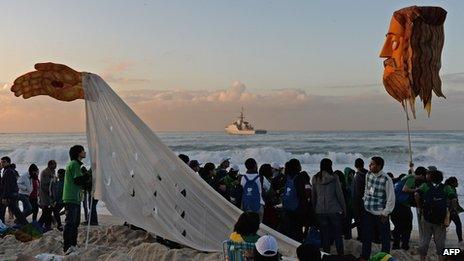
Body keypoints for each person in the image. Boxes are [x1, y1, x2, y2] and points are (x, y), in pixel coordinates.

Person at [415, 170, 457, 261]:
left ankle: (423, 259)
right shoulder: (446, 187)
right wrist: (451, 211)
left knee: (424, 240)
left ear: (430, 177)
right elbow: (453, 199)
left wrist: (419, 207)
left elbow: (416, 194)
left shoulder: (425, 186)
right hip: (441, 219)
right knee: (440, 242)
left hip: (427, 217)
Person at [360, 156, 395, 260]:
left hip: (381, 213)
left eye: (372, 164)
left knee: (385, 237)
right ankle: (365, 256)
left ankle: (385, 257)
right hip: (368, 210)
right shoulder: (368, 174)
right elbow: (367, 189)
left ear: (379, 166)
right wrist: (365, 199)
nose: (369, 166)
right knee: (366, 236)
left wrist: (385, 213)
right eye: (370, 164)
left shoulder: (386, 179)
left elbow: (391, 198)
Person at [311, 158, 346, 255]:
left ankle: (326, 255)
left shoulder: (315, 178)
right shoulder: (334, 177)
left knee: (325, 235)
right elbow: (339, 195)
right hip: (334, 210)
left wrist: (314, 209)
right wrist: (344, 209)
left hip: (320, 211)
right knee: (338, 235)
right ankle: (340, 255)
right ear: (330, 166)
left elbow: (313, 196)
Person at [62, 145, 90, 253]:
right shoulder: (74, 164)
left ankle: (72, 244)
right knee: (70, 223)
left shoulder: (75, 164)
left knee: (75, 223)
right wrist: (87, 176)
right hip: (71, 197)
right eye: (83, 150)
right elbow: (78, 180)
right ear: (78, 153)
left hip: (75, 198)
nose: (84, 152)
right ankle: (67, 246)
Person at [391, 166, 420, 250]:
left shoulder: (401, 180)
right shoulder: (411, 178)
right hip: (402, 206)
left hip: (394, 205)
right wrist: (416, 189)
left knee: (398, 227)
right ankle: (404, 245)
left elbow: (412, 174)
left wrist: (411, 167)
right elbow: (406, 189)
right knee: (407, 227)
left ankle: (396, 245)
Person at [0, 156, 28, 226]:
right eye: (1, 162)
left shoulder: (8, 171)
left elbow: (7, 186)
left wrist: (4, 197)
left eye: (4, 162)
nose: (2, 163)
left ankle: (2, 226)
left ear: (8, 162)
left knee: (6, 211)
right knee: (16, 212)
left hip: (10, 195)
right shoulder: (9, 170)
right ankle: (25, 224)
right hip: (13, 194)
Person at [38, 160, 57, 230]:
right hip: (45, 194)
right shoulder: (45, 172)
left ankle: (44, 225)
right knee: (46, 210)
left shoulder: (52, 171)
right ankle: (46, 226)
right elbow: (44, 185)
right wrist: (50, 194)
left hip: (50, 195)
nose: (55, 166)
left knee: (48, 211)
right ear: (50, 165)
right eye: (54, 165)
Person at [352, 158, 368, 241]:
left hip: (358, 201)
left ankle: (361, 236)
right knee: (366, 220)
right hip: (367, 200)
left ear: (355, 165)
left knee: (359, 219)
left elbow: (357, 191)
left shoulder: (357, 175)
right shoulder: (368, 173)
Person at [445, 177, 463, 243]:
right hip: (450, 210)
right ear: (452, 183)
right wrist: (453, 209)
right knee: (458, 224)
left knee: (446, 224)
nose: (457, 183)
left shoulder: (453, 189)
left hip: (449, 210)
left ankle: (441, 236)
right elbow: (453, 200)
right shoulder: (449, 188)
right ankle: (460, 240)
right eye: (456, 182)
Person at [343, 167, 355, 239]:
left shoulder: (351, 182)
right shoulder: (345, 183)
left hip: (351, 205)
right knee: (347, 222)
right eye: (350, 173)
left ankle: (348, 235)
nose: (352, 175)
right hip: (346, 205)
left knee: (349, 221)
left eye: (352, 173)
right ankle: (347, 236)